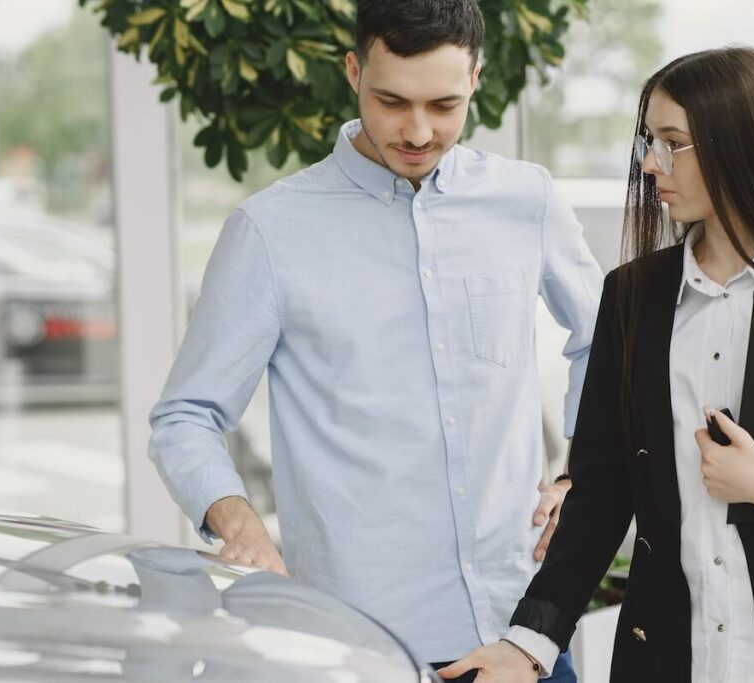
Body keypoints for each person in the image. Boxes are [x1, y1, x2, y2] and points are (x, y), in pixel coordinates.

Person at [438, 46, 754, 683]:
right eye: (650, 141)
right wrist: (529, 642)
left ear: (740, 144)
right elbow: (599, 493)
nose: (652, 163)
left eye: (673, 142)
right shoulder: (633, 295)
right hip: (675, 655)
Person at [147, 0, 602, 679]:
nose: (417, 130)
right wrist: (236, 517)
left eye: (444, 105)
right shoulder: (270, 232)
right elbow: (185, 416)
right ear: (354, 71)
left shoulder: (527, 201)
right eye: (392, 101)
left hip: (521, 638)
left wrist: (579, 472)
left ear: (476, 78)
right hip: (358, 648)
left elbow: (603, 338)